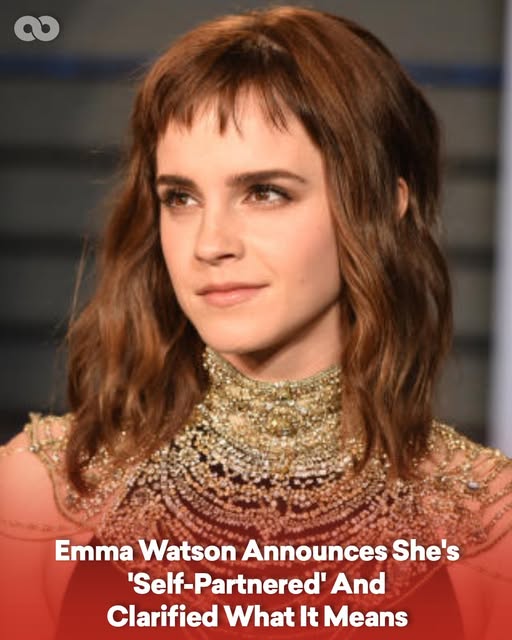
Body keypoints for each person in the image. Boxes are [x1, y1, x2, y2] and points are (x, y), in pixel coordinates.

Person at [1, 6, 511, 639]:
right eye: (180, 198)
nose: (210, 243)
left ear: (383, 204)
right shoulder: (48, 489)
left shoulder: (485, 523)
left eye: (265, 192)